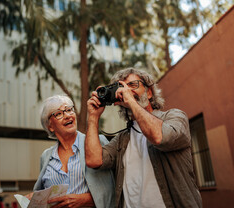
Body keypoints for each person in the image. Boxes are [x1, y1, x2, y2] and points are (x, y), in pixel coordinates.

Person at [85, 67, 202, 208]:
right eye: (121, 87)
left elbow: (159, 137)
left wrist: (131, 101)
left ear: (150, 92)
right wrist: (93, 117)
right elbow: (94, 160)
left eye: (133, 85)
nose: (126, 90)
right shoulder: (122, 139)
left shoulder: (175, 117)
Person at [29, 95, 115, 208]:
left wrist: (88, 199)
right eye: (59, 114)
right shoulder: (45, 156)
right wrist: (35, 198)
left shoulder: (98, 142)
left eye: (69, 110)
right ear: (50, 126)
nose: (67, 115)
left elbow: (116, 186)